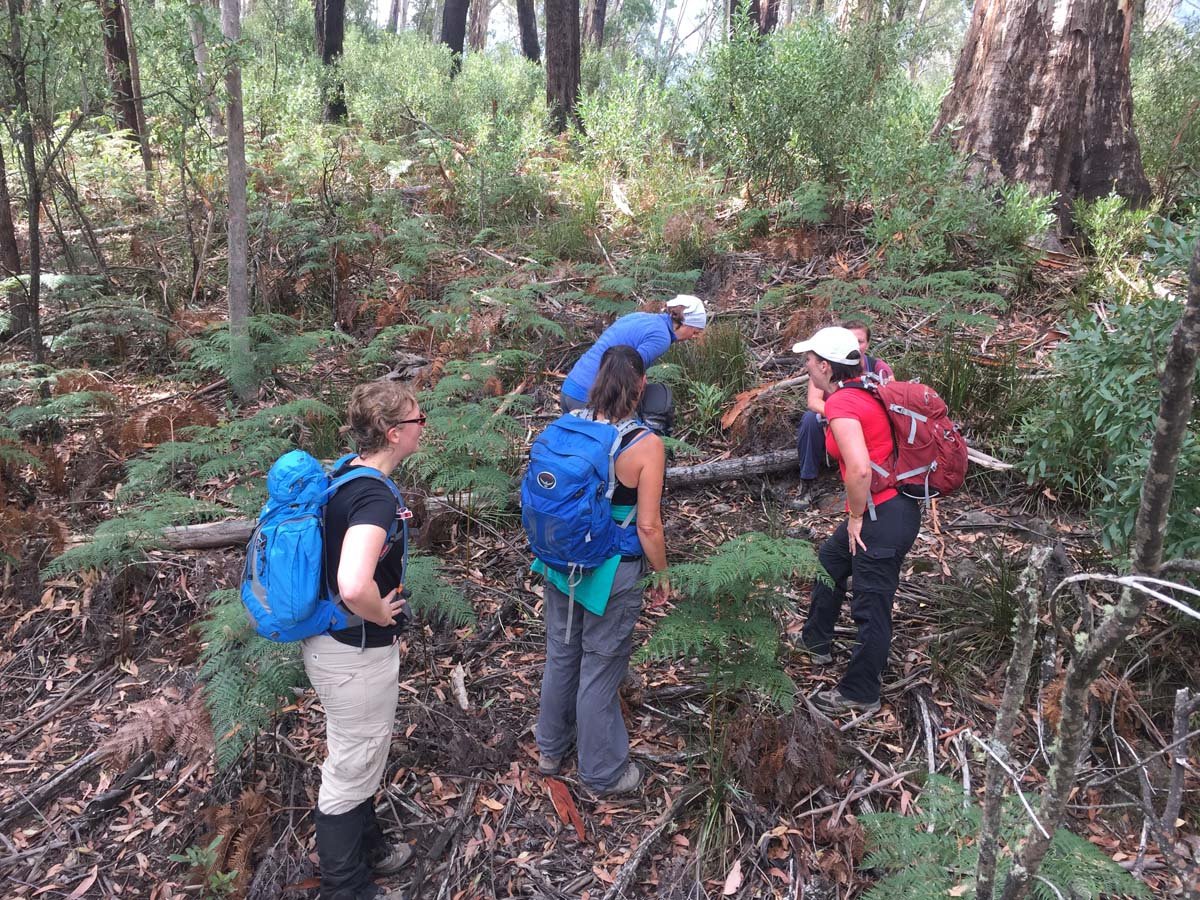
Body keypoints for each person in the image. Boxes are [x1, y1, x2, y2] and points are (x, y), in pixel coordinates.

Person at [302, 380, 426, 900]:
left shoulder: (346, 474)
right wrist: (379, 613)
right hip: (352, 652)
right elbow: (354, 583)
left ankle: (368, 844)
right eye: (419, 420)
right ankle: (344, 887)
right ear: (395, 434)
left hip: (332, 644)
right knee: (352, 763)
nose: (425, 427)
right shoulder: (374, 496)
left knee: (363, 753)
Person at [535, 346, 669, 795]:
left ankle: (551, 749)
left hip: (560, 561)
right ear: (641, 386)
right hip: (612, 570)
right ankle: (603, 772)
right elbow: (648, 525)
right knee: (600, 667)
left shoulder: (566, 425)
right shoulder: (645, 445)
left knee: (562, 653)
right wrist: (663, 573)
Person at [792, 327, 921, 716]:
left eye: (811, 362)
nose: (807, 368)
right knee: (832, 561)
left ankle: (861, 690)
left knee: (871, 604)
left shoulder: (844, 406)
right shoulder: (865, 389)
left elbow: (860, 471)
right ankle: (816, 643)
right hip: (890, 508)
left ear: (828, 369)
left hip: (881, 515)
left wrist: (855, 517)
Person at [560, 295, 708, 435]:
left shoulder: (640, 317)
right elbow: (629, 372)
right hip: (587, 397)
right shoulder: (661, 337)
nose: (693, 338)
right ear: (684, 324)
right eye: (695, 332)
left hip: (569, 389)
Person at [796, 320, 894, 497]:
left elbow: (891, 400)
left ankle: (882, 475)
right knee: (810, 420)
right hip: (833, 416)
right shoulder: (824, 369)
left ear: (868, 343)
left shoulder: (877, 367)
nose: (856, 346)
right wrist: (840, 416)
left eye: (860, 341)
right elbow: (813, 401)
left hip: (865, 424)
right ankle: (807, 481)